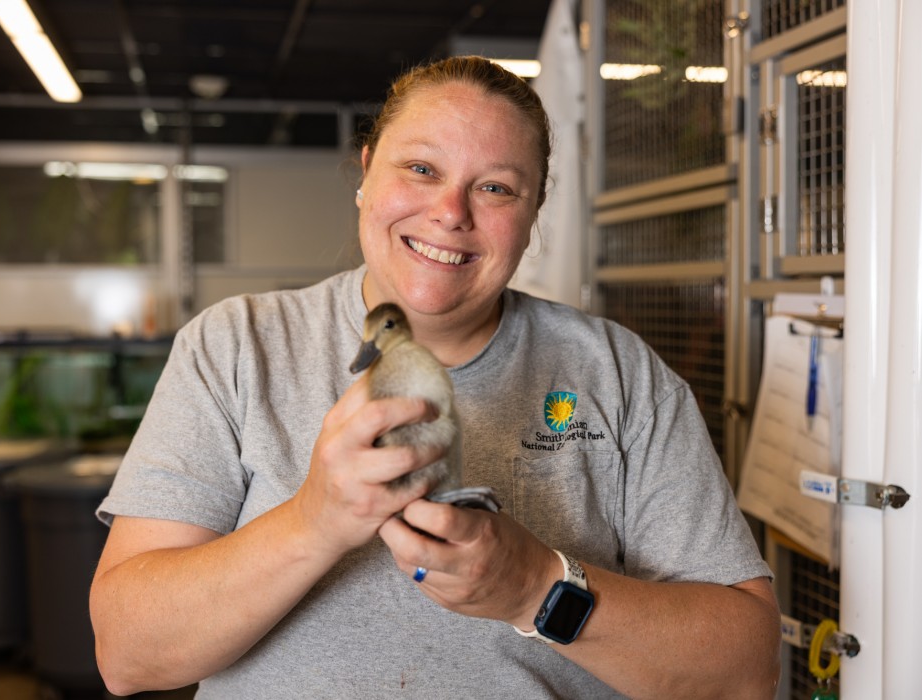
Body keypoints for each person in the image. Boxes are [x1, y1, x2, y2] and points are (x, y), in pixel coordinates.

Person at [89, 56, 780, 699]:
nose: (451, 212)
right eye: (420, 169)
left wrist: (536, 588)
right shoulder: (237, 347)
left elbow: (746, 670)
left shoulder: (619, 374)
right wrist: (315, 520)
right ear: (365, 174)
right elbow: (127, 655)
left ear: (534, 211)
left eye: (496, 187)